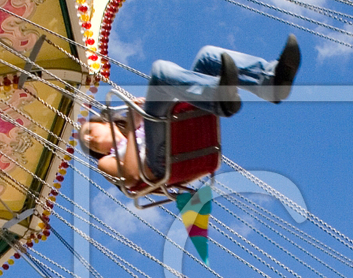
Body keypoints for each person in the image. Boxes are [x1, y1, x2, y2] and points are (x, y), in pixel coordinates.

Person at [79, 36, 300, 185]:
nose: (88, 138)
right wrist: (136, 122)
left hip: (175, 130)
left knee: (208, 56)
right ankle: (217, 98)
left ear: (105, 121)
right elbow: (130, 174)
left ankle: (270, 82)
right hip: (158, 162)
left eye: (89, 130)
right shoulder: (106, 160)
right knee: (160, 71)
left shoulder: (135, 123)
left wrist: (140, 113)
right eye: (86, 143)